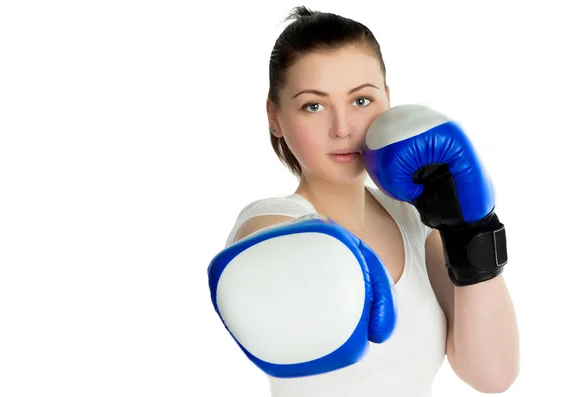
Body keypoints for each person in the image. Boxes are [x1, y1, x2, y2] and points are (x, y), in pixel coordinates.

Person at [208, 6, 520, 397]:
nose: (343, 129)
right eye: (314, 105)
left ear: (388, 101)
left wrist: (471, 229)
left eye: (361, 101)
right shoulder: (270, 224)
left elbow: (492, 375)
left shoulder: (415, 219)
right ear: (275, 116)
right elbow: (265, 252)